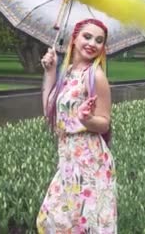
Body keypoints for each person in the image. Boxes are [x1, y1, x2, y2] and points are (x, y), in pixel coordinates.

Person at [36, 18, 117, 233]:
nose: (92, 43)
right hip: (68, 159)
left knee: (87, 225)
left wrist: (87, 120)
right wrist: (50, 71)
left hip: (91, 161)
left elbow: (104, 123)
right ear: (74, 38)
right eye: (87, 36)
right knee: (53, 219)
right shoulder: (66, 73)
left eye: (99, 40)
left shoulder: (96, 76)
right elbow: (49, 112)